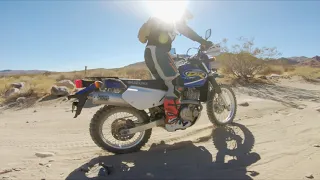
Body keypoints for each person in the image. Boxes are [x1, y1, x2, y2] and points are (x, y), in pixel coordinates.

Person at [138, 9, 213, 132]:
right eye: (186, 18)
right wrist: (203, 41)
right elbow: (187, 31)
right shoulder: (171, 17)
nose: (186, 20)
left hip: (155, 52)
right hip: (158, 52)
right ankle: (172, 120)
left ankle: (162, 113)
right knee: (176, 83)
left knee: (164, 85)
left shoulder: (165, 22)